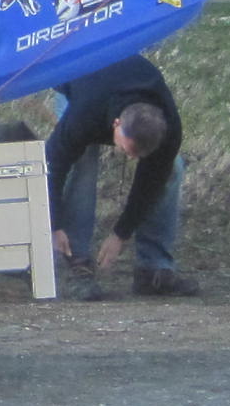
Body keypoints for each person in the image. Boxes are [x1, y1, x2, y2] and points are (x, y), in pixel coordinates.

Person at [45, 54, 196, 300]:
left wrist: (120, 234)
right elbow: (53, 164)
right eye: (129, 150)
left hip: (123, 76)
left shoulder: (169, 128)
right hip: (79, 74)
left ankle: (153, 268)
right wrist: (54, 224)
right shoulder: (85, 114)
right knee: (82, 160)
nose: (132, 158)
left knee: (172, 168)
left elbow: (150, 183)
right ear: (116, 124)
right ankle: (77, 264)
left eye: (139, 155)